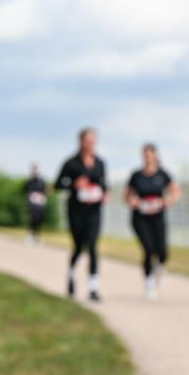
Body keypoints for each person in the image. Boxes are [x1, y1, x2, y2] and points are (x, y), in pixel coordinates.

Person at [55, 127, 108, 302]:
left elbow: (103, 184)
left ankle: (93, 288)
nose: (90, 144)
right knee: (78, 246)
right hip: (76, 211)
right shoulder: (71, 163)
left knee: (93, 246)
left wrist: (105, 193)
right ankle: (71, 275)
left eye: (93, 141)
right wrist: (74, 185)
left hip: (94, 210)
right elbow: (58, 185)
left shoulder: (100, 163)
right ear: (81, 142)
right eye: (88, 141)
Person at [124, 144, 180, 301]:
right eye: (145, 155)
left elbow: (175, 192)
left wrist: (167, 200)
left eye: (150, 154)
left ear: (155, 156)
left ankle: (159, 269)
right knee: (148, 249)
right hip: (141, 217)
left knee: (162, 251)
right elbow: (127, 196)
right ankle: (149, 284)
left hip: (158, 216)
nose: (148, 158)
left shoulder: (163, 175)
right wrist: (134, 202)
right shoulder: (136, 176)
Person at [23, 164, 48, 245]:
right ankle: (30, 235)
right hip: (32, 203)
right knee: (33, 218)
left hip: (40, 203)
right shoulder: (29, 181)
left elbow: (45, 191)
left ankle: (37, 236)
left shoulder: (42, 182)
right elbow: (25, 191)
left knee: (39, 219)